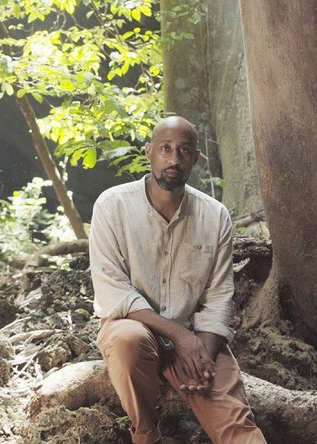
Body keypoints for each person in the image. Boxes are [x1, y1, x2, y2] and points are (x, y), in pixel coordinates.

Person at [89, 116, 266, 443]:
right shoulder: (112, 206)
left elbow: (219, 298)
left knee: (238, 428)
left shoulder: (215, 216)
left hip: (194, 335)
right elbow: (113, 291)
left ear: (195, 158)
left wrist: (203, 355)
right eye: (165, 149)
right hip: (134, 326)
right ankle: (146, 434)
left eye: (184, 151)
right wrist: (179, 337)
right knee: (126, 341)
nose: (173, 159)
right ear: (149, 152)